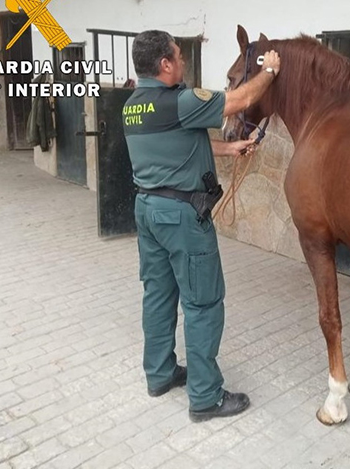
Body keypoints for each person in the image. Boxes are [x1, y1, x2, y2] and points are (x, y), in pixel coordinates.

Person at [123, 30, 280, 422]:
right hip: (181, 217)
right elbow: (243, 99)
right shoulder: (181, 100)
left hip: (148, 209)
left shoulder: (133, 106)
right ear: (165, 64)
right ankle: (206, 397)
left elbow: (180, 142)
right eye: (179, 55)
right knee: (203, 302)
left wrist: (229, 148)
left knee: (158, 295)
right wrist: (271, 70)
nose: (184, 61)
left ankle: (159, 374)